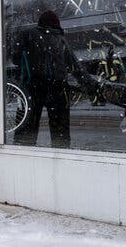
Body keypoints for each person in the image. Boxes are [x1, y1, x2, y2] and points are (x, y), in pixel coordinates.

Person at [12, 10, 93, 148]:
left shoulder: (27, 34)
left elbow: (15, 58)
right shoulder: (60, 40)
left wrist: (28, 66)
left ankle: (22, 158)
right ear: (56, 25)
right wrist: (89, 85)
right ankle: (60, 156)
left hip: (32, 86)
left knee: (27, 128)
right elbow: (75, 66)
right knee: (60, 130)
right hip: (58, 87)